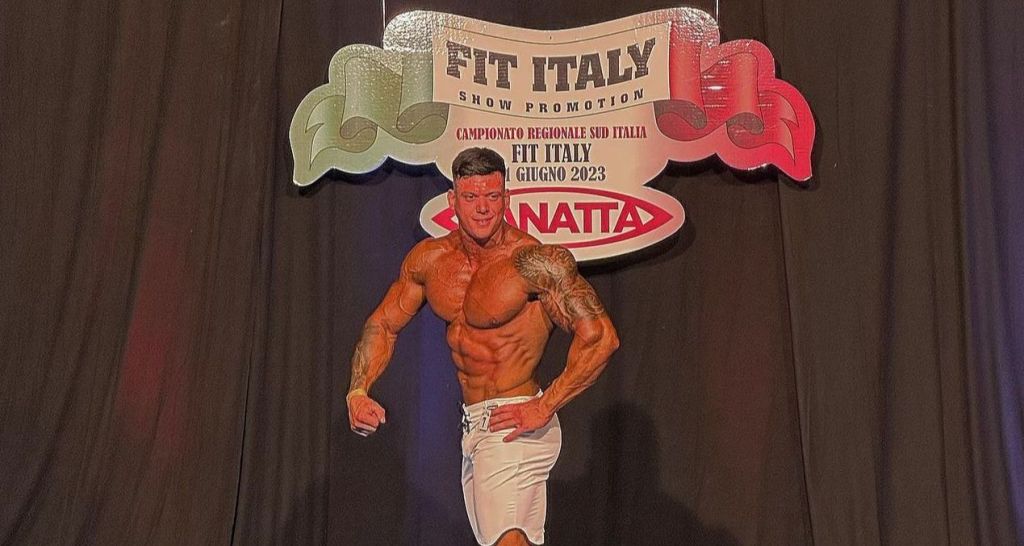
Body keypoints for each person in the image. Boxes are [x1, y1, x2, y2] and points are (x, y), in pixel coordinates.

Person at [345, 147, 619, 546]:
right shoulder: (430, 260)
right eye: (471, 197)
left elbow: (601, 338)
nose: (483, 208)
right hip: (475, 426)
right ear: (453, 200)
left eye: (492, 196)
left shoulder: (533, 262)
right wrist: (358, 390)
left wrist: (545, 405)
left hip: (513, 424)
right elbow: (383, 324)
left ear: (506, 198)